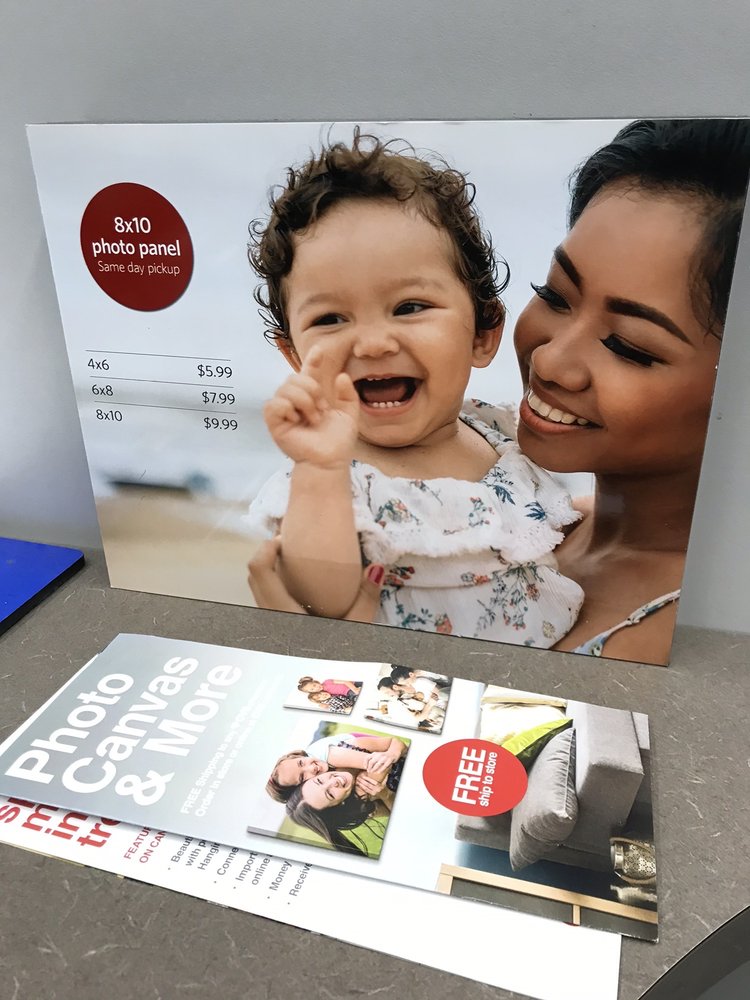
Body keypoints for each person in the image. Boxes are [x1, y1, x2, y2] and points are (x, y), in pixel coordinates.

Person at [248, 119, 750, 666]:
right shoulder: (550, 514)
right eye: (555, 296)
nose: (549, 361)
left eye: (628, 345)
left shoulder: (690, 642)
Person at [246, 132, 585, 649]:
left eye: (409, 307)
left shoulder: (498, 434)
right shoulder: (329, 483)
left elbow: (550, 521)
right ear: (295, 356)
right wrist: (319, 469)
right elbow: (320, 600)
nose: (373, 343)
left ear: (482, 333)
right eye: (330, 318)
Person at [283, 732, 408, 856]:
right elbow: (399, 815)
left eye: (319, 781)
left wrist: (391, 755)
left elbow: (397, 744)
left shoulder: (344, 752)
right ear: (337, 805)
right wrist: (385, 794)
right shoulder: (358, 804)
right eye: (330, 794)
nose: (333, 782)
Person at [265, 731, 407, 803]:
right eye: (302, 777)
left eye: (301, 763)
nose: (311, 768)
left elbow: (380, 764)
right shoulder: (325, 792)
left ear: (299, 756)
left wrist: (363, 785)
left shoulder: (326, 754)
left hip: (396, 758)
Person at [297, 675, 361, 697]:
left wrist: (354, 689)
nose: (316, 688)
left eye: (314, 685)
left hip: (352, 684)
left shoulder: (327, 681)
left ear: (316, 682)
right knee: (358, 694)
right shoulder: (324, 693)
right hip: (348, 692)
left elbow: (345, 682)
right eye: (312, 689)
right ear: (312, 692)